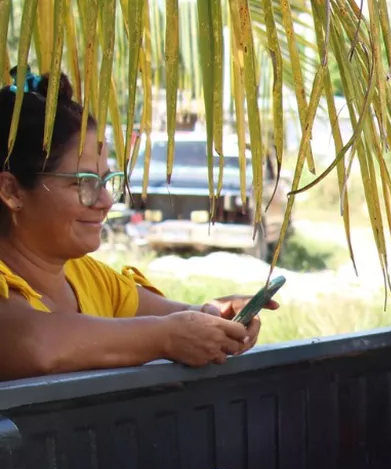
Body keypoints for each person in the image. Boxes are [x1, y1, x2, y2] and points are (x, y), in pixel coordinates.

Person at [0, 73, 274, 381]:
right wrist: (166, 337)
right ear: (11, 191)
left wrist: (216, 318)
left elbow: (175, 316)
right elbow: (36, 344)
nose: (105, 201)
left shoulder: (90, 278)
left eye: (107, 182)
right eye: (84, 184)